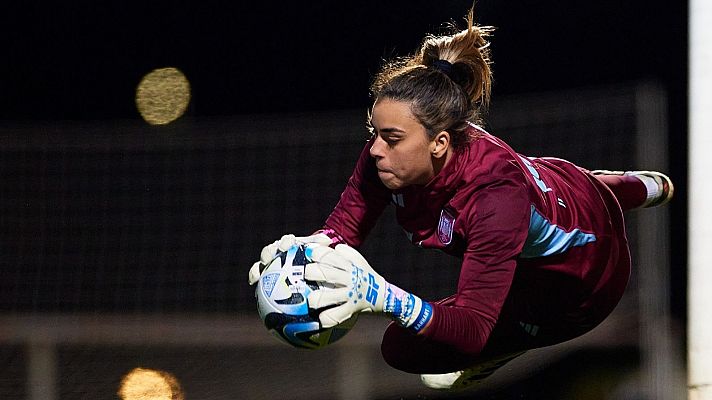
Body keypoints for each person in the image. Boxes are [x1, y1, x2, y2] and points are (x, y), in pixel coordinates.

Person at [248, 8, 674, 391]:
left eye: (391, 138)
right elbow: (343, 227)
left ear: (439, 143)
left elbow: (469, 327)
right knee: (581, 191)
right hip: (563, 185)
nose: (375, 148)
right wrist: (309, 248)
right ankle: (632, 187)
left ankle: (506, 345)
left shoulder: (493, 200)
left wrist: (382, 295)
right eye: (374, 133)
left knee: (401, 349)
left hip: (583, 287)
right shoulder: (395, 151)